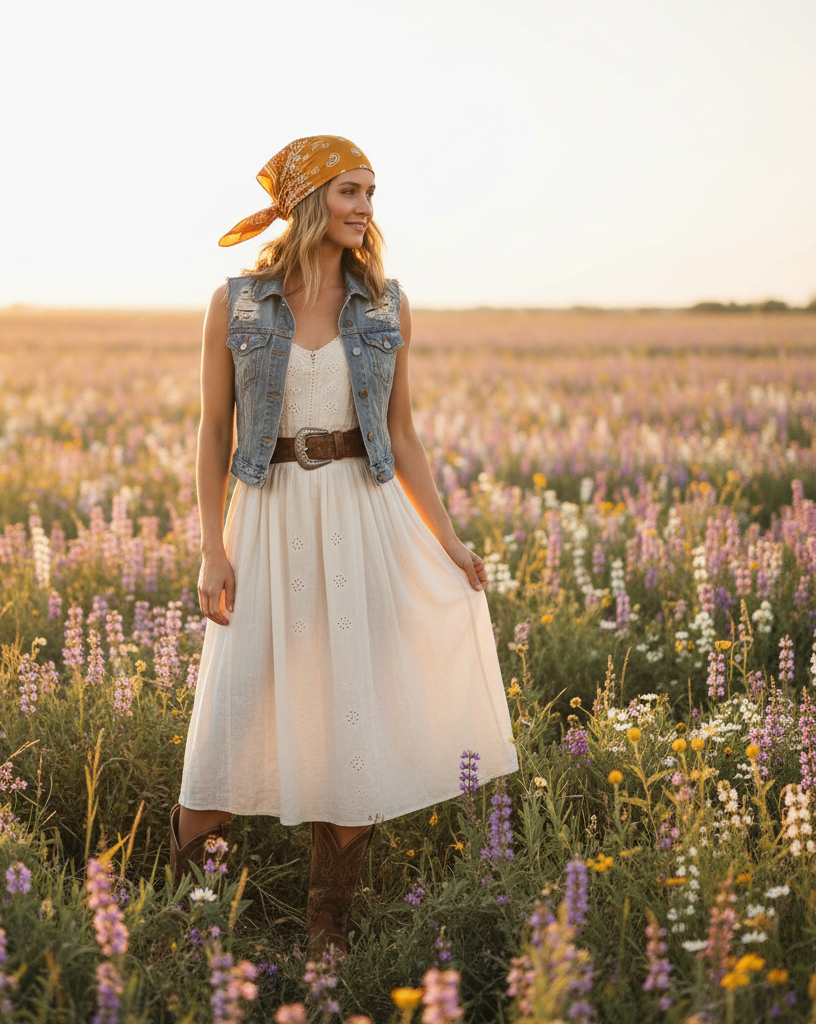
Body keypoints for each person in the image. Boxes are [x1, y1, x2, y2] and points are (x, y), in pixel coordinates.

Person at [171, 135, 518, 956]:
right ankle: (188, 914)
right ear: (307, 200)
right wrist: (210, 548)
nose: (365, 207)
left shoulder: (386, 303)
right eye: (349, 191)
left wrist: (453, 542)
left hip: (362, 519)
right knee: (232, 705)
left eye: (371, 192)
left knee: (350, 710)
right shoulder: (238, 303)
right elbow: (213, 430)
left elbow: (403, 435)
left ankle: (327, 923)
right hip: (267, 517)